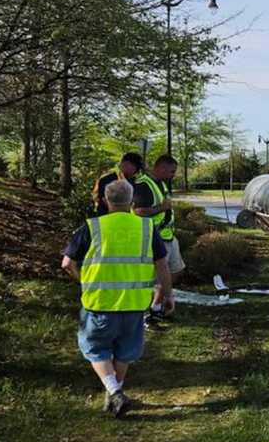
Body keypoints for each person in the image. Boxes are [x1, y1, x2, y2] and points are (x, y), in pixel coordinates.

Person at [62, 179, 173, 417]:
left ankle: (114, 391)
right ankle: (114, 396)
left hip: (99, 302)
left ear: (104, 201)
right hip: (134, 304)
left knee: (96, 349)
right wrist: (167, 294)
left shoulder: (92, 227)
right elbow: (162, 265)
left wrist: (83, 280)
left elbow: (67, 263)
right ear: (131, 201)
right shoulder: (146, 228)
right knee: (124, 352)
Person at [132, 154, 184, 326]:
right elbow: (138, 211)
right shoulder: (143, 185)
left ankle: (156, 305)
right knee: (156, 276)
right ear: (160, 168)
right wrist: (162, 207)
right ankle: (149, 312)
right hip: (154, 238)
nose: (173, 175)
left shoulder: (161, 183)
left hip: (168, 237)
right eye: (171, 171)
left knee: (175, 271)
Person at [92, 152, 144, 216]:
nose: (137, 172)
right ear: (125, 164)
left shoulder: (134, 180)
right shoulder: (107, 180)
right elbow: (106, 202)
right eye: (136, 168)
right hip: (107, 218)